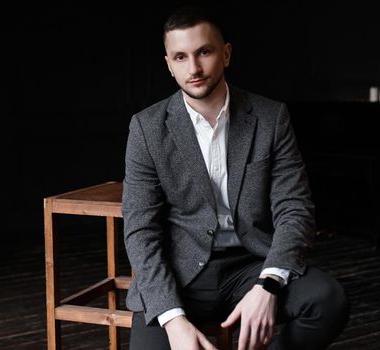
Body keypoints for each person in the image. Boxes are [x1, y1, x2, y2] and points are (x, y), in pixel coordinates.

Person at [122, 5, 348, 350]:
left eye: (205, 52)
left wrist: (269, 284)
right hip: (181, 274)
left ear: (226, 54)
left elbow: (295, 208)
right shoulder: (147, 128)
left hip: (251, 263)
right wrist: (173, 318)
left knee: (328, 300)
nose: (194, 68)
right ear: (168, 64)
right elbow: (141, 231)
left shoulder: (271, 117)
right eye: (180, 57)